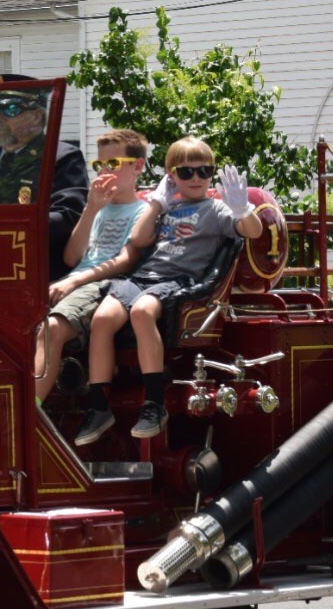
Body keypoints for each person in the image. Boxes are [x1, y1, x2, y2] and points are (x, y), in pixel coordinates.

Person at [75, 137, 263, 445]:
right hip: (144, 277)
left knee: (141, 311)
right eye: (186, 172)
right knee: (101, 319)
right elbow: (138, 239)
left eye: (204, 171)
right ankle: (99, 407)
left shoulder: (216, 209)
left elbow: (251, 232)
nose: (196, 179)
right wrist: (157, 203)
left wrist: (243, 211)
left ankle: (154, 403)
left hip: (180, 281)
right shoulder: (165, 206)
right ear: (170, 175)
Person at [35, 129, 156, 403]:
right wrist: (90, 209)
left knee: (52, 329)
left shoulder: (144, 211)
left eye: (112, 164)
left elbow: (126, 260)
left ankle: (30, 415)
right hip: (77, 280)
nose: (104, 171)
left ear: (137, 166)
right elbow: (72, 257)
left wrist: (74, 281)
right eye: (98, 165)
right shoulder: (98, 209)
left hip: (106, 286)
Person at [0, 74, 88, 279]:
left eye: (11, 110)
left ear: (37, 116)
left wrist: (7, 227)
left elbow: (68, 217)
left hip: (33, 270)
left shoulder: (60, 157)